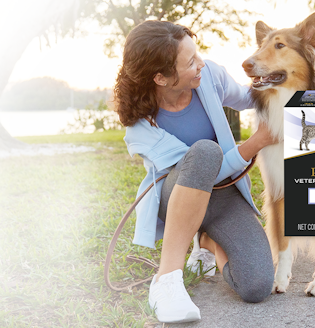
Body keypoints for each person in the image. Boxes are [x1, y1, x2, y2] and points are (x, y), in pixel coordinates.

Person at [113, 20, 277, 323]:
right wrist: (255, 143)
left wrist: (294, 84)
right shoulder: (139, 124)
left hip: (223, 197)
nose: (201, 63)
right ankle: (166, 280)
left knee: (256, 286)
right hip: (176, 195)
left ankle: (208, 242)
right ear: (161, 78)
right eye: (190, 62)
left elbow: (248, 97)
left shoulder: (209, 75)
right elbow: (203, 169)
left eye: (197, 53)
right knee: (204, 152)